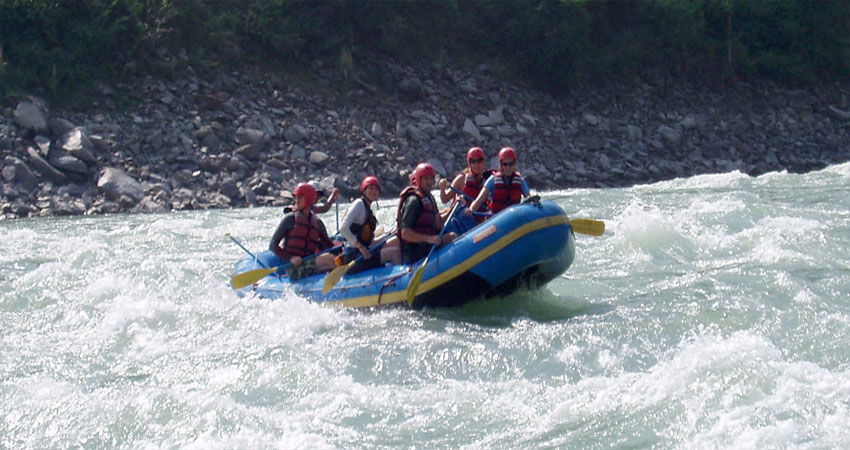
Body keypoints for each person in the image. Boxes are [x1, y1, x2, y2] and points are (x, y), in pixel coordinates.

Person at [269, 182, 337, 280]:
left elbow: (329, 246)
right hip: (294, 268)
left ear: (309, 199)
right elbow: (272, 245)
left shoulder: (317, 222)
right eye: (296, 197)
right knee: (329, 259)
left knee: (335, 258)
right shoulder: (290, 219)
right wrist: (291, 258)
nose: (297, 200)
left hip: (309, 263)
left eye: (300, 197)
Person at [337, 175, 401, 272]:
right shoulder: (359, 204)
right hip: (353, 256)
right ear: (364, 191)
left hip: (364, 251)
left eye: (376, 189)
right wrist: (360, 247)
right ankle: (400, 275)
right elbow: (343, 228)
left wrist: (389, 234)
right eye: (370, 188)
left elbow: (371, 242)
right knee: (394, 252)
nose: (374, 191)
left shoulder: (368, 209)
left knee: (396, 240)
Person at [397, 162, 457, 264]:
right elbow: (405, 233)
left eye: (431, 178)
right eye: (425, 179)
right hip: (416, 250)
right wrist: (429, 239)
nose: (429, 182)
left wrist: (454, 207)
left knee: (452, 234)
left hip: (428, 245)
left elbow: (438, 224)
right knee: (451, 237)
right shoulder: (413, 201)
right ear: (419, 180)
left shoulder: (430, 198)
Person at [466, 147, 530, 218]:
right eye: (505, 164)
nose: (508, 167)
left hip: (514, 217)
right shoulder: (493, 180)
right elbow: (479, 200)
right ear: (501, 165)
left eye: (510, 164)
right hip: (496, 217)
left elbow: (529, 199)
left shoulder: (520, 181)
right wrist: (471, 209)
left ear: (514, 164)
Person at [439, 146, 492, 223]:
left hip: (479, 222)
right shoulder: (461, 179)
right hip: (461, 220)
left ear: (483, 162)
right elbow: (445, 200)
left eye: (479, 161)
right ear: (469, 163)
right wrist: (442, 189)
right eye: (473, 161)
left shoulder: (487, 182)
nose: (476, 164)